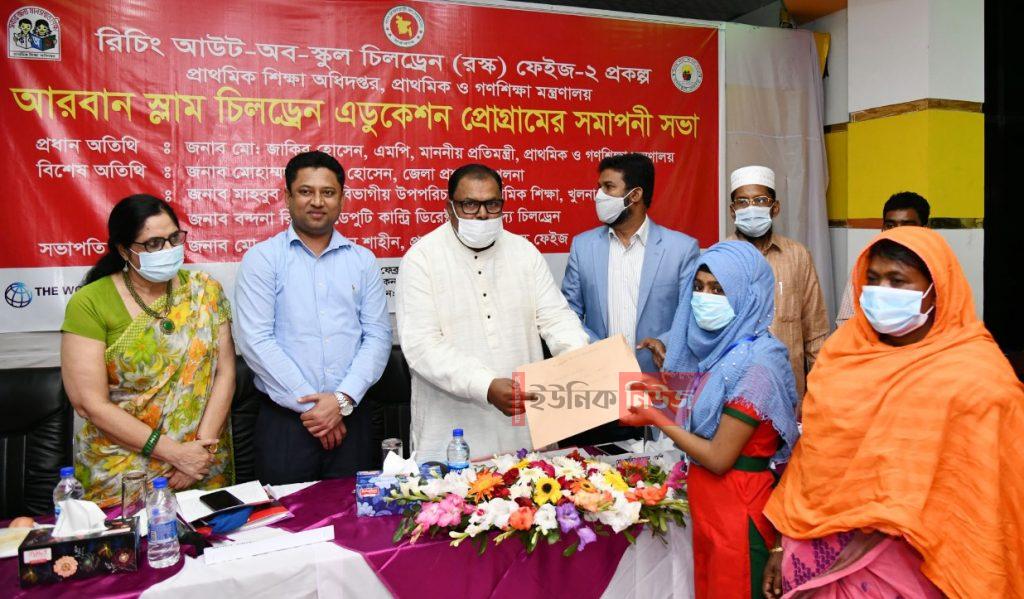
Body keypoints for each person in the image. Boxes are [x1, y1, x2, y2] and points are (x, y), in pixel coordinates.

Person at [764, 227, 1024, 598]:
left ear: (936, 288)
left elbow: (991, 493)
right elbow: (810, 466)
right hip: (822, 553)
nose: (881, 290)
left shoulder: (977, 376)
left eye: (897, 281)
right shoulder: (842, 355)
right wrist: (779, 543)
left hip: (924, 568)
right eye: (872, 279)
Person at [620, 241, 800, 599]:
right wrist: (661, 395)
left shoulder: (758, 365)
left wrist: (656, 415)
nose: (705, 298)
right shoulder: (724, 351)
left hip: (740, 514)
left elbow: (718, 456)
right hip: (712, 512)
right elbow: (706, 415)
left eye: (718, 289)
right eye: (699, 287)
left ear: (747, 294)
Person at [396, 163, 590, 462]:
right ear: (449, 208)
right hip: (452, 433)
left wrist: (576, 357)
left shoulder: (524, 252)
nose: (483, 214)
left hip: (523, 425)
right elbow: (422, 346)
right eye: (470, 205)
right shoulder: (422, 259)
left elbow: (556, 317)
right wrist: (485, 385)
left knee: (534, 488)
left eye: (492, 204)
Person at [61, 195, 234, 506]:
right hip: (122, 472)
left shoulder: (206, 290)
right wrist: (175, 454)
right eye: (153, 244)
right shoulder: (89, 303)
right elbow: (90, 404)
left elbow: (225, 373)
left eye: (174, 238)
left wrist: (200, 453)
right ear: (123, 250)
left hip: (201, 464)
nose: (168, 250)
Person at [234, 151, 391, 485]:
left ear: (342, 199)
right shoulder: (263, 259)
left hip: (353, 417)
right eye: (306, 191)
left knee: (357, 512)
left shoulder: (363, 261)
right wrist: (315, 408)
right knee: (286, 515)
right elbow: (256, 341)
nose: (317, 201)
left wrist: (341, 400)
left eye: (328, 192)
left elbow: (377, 337)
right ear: (288, 197)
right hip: (285, 425)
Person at [561, 153, 699, 444]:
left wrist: (664, 342)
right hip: (598, 386)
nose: (599, 196)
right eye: (599, 187)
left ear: (634, 195)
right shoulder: (583, 246)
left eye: (608, 187)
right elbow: (567, 311)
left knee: (656, 467)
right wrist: (599, 349)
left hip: (658, 384)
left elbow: (691, 312)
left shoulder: (681, 248)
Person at [727, 165, 828, 402]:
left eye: (760, 200)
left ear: (775, 207)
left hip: (789, 391)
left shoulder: (798, 255)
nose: (751, 208)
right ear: (733, 211)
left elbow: (815, 333)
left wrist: (820, 394)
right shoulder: (719, 257)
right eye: (742, 202)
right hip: (735, 391)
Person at [834, 191, 930, 327]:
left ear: (924, 230)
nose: (896, 233)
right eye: (890, 226)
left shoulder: (936, 270)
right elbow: (845, 322)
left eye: (907, 226)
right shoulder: (866, 266)